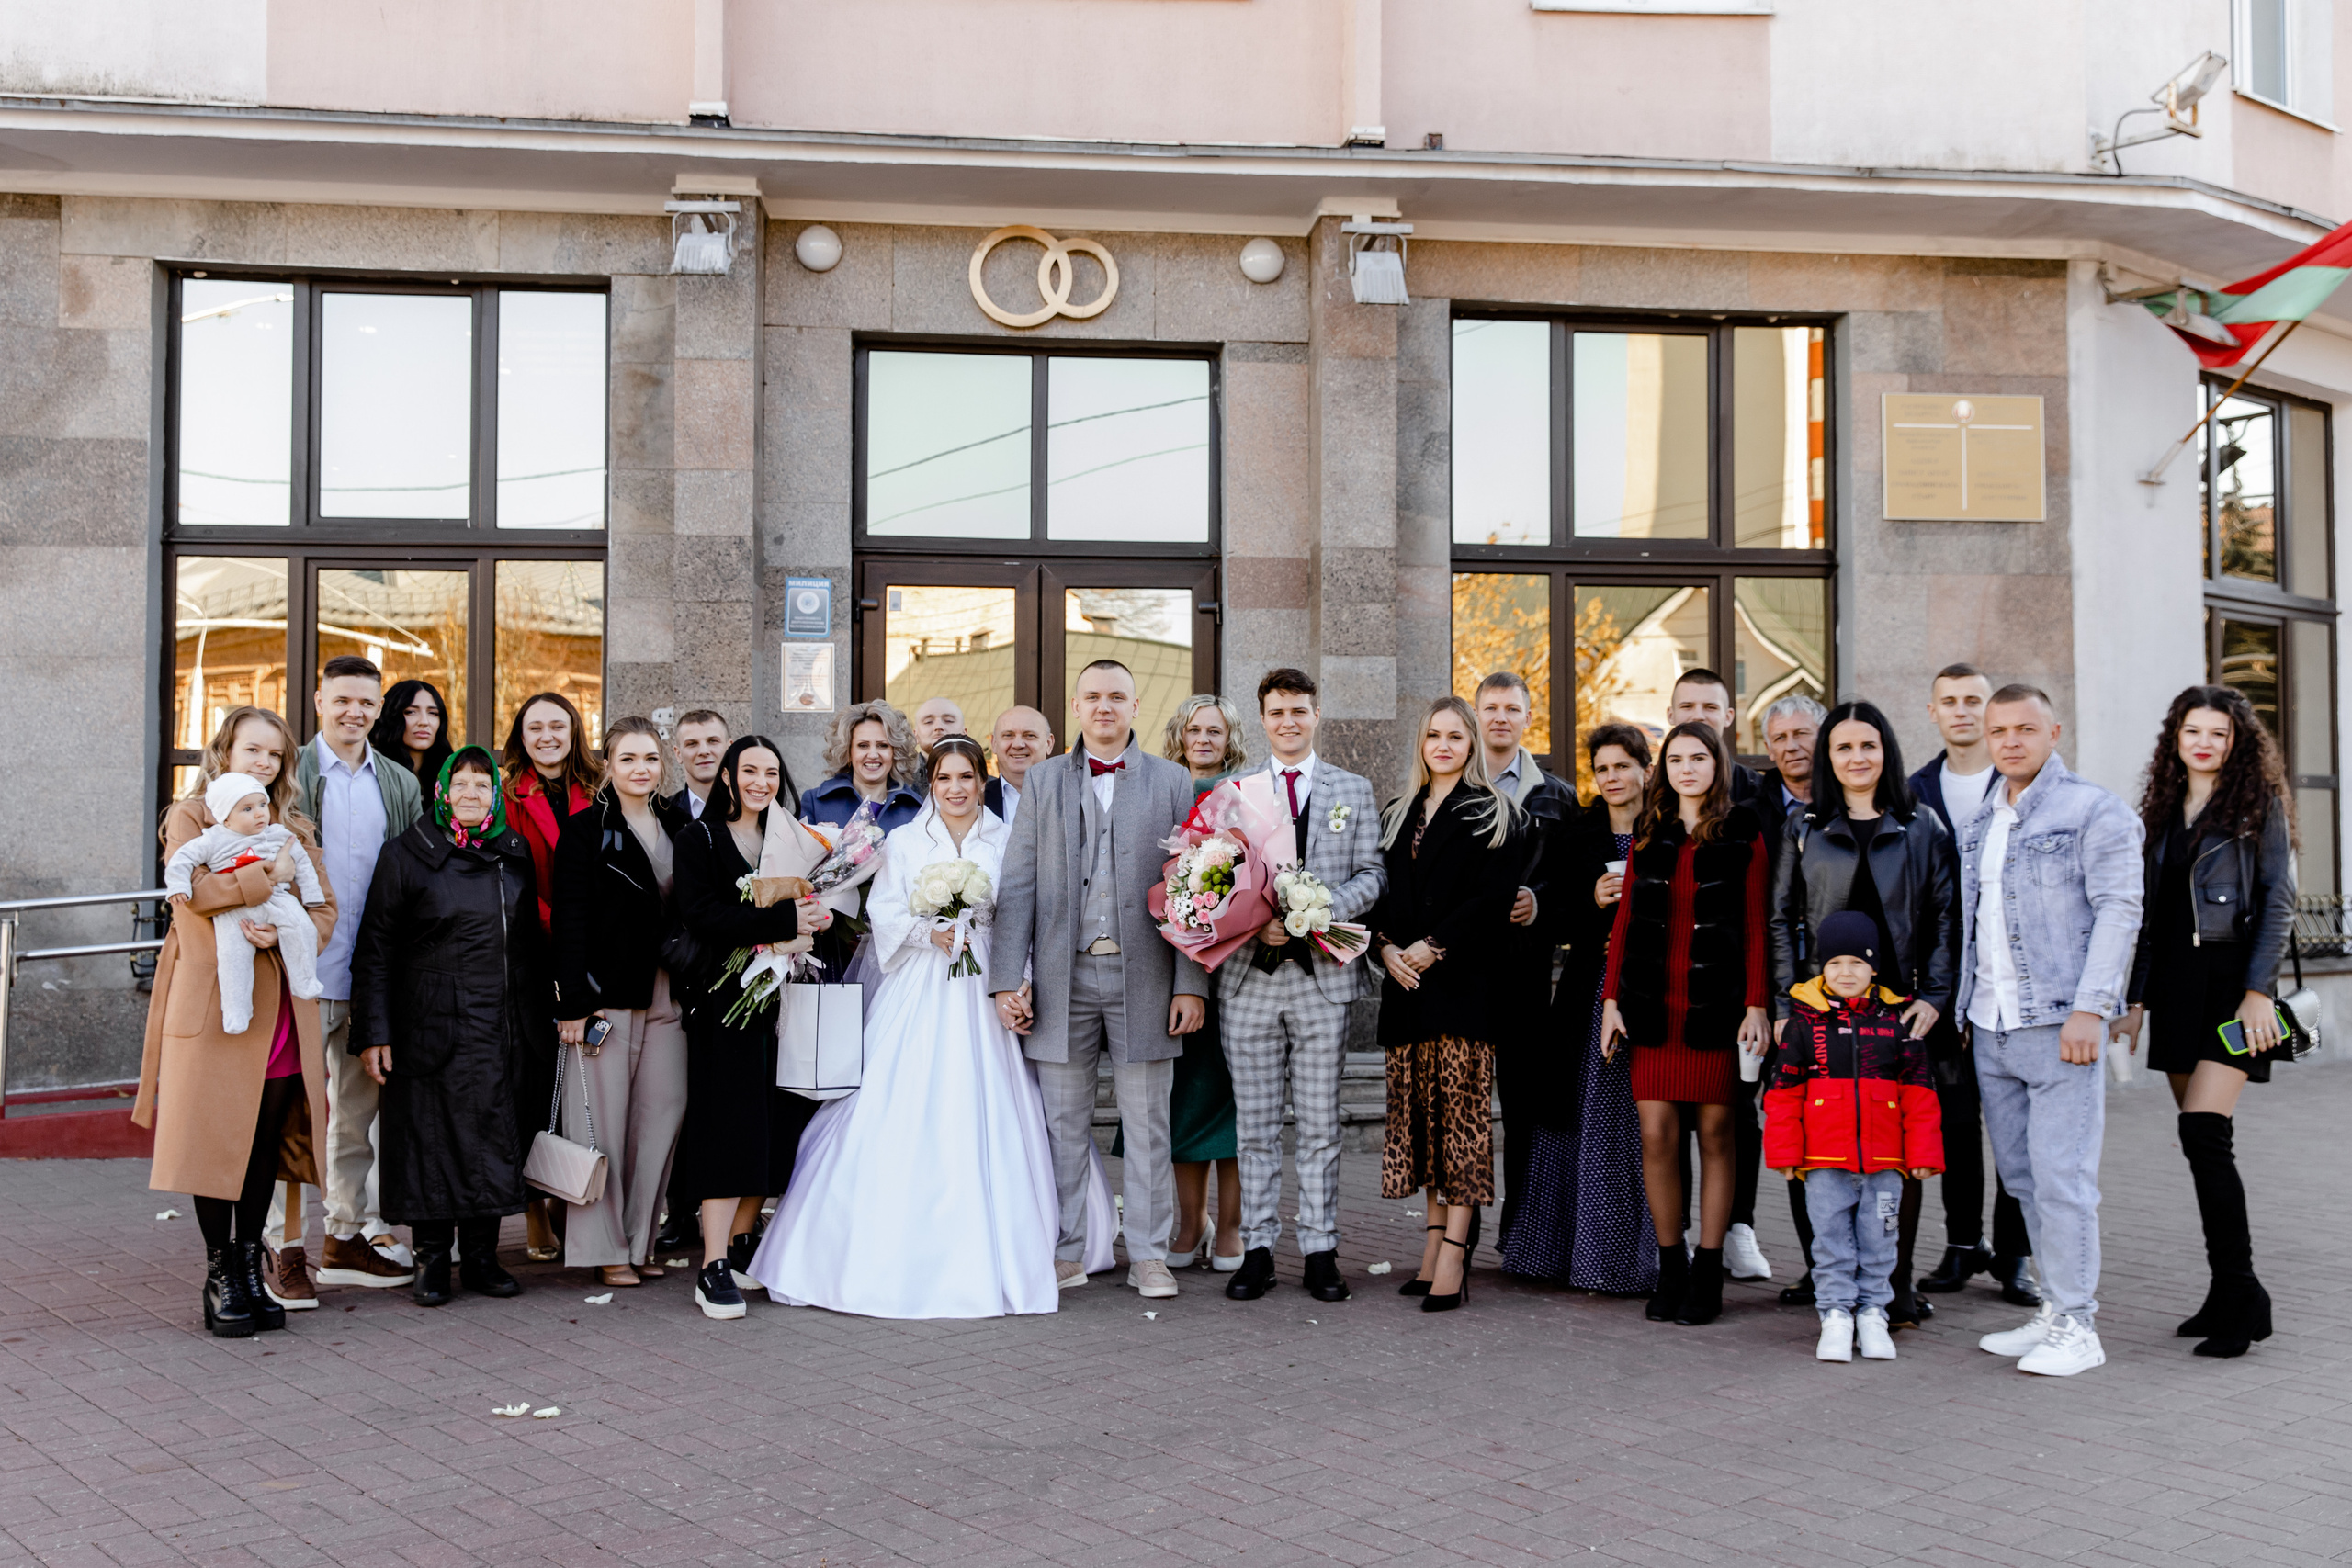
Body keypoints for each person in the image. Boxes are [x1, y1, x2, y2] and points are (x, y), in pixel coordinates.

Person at [750, 736, 1071, 1316]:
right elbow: (885, 910)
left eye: (967, 778)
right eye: (944, 778)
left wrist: (1018, 980)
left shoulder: (1008, 838)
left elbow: (1024, 913)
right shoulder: (902, 840)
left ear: (982, 780)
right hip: (919, 982)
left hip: (982, 986)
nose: (955, 789)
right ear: (930, 783)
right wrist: (931, 932)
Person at [990, 659, 1209, 1300]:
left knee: (1147, 1123)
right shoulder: (1045, 780)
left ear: (1135, 707)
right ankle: (1065, 1248)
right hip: (1062, 977)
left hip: (1146, 974)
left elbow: (1193, 887)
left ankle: (1148, 1252)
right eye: (1093, 696)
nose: (1105, 706)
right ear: (1076, 708)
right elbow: (1019, 882)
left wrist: (1190, 981)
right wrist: (1008, 977)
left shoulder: (1172, 780)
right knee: (1063, 1121)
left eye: (1117, 696)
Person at [1957, 685, 2143, 1377]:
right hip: (1991, 1024)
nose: (2009, 740)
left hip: (2059, 1022)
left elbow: (2120, 910)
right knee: (2026, 1179)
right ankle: (2055, 1309)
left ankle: (2080, 1324)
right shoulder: (1983, 816)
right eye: (1998, 729)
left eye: (2024, 728)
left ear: (2054, 731)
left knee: (2064, 1178)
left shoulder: (2094, 809)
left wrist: (2092, 1008)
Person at [136, 707, 336, 1337]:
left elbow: (323, 908)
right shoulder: (191, 817)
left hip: (280, 1007)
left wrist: (288, 927)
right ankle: (219, 1270)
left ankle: (252, 1264)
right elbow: (193, 895)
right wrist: (264, 877)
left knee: (260, 1141)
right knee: (216, 1137)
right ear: (225, 750)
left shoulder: (291, 825)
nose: (264, 763)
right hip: (217, 1002)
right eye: (253, 749)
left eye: (275, 755)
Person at [2113, 684, 2296, 1359]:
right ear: (2176, 737)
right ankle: (2226, 1290)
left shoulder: (2257, 807)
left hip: (2229, 986)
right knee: (2199, 1146)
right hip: (2176, 988)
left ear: (2236, 742)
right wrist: (2133, 1001)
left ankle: (2244, 1294)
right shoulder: (2161, 811)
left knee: (2205, 1131)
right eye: (2195, 730)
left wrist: (2259, 992)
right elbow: (2149, 919)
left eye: (2219, 733)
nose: (2205, 742)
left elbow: (2279, 899)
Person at [1766, 700, 1958, 1329]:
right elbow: (1782, 918)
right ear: (1829, 756)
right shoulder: (1806, 824)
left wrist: (1934, 997)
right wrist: (1785, 1001)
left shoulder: (1922, 824)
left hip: (1897, 1011)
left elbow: (1943, 920)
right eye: (1843, 747)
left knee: (1895, 1150)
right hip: (1819, 1012)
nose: (1856, 758)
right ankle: (1830, 1281)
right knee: (1816, 1147)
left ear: (1887, 751)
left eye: (1867, 745)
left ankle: (1892, 1283)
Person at [348, 747, 547, 1305]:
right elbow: (376, 949)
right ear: (441, 791)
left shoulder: (513, 851)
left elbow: (529, 944)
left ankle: (482, 1257)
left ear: (495, 796)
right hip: (427, 1025)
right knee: (428, 1142)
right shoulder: (406, 855)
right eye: (459, 784)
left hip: (501, 1023)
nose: (470, 795)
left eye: (482, 786)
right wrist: (374, 1031)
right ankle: (432, 1259)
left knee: (490, 1137)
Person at [1219, 671, 1385, 1304]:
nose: (1288, 721)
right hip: (1250, 982)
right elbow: (1214, 874)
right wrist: (1250, 917)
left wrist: (1322, 906)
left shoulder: (1352, 788)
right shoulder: (1236, 791)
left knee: (1319, 1124)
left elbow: (1373, 873)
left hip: (1324, 982)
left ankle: (1320, 1248)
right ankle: (1257, 1248)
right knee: (1256, 1125)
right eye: (1276, 711)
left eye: (1298, 710)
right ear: (1262, 719)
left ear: (1318, 713)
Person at [1600, 721, 1770, 1328]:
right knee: (1657, 1136)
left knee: (1718, 1136)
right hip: (1653, 1005)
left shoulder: (1744, 832)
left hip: (1716, 1009)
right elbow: (1623, 922)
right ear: (1663, 768)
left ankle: (1709, 1265)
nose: (1687, 768)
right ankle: (1671, 1263)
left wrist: (1755, 1004)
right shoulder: (1651, 832)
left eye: (1699, 757)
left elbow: (1754, 924)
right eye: (1676, 758)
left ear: (1717, 764)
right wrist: (1612, 1001)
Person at [669, 735, 831, 1319]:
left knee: (774, 1123)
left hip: (781, 1002)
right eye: (750, 771)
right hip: (723, 1004)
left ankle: (741, 1245)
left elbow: (808, 901)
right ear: (730, 778)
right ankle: (710, 1265)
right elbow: (702, 914)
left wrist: (817, 913)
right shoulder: (699, 839)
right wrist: (784, 916)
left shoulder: (788, 839)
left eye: (771, 771)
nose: (761, 781)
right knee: (727, 1127)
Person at [1372, 695, 1522, 1314]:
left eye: (1456, 735)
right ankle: (1431, 1247)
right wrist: (1383, 950)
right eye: (1434, 734)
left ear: (1471, 745)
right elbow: (1377, 897)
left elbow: (1493, 901)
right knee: (1422, 1128)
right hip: (1403, 990)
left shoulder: (1494, 812)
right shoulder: (1397, 812)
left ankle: (1456, 1255)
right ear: (1422, 743)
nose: (1443, 744)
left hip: (1461, 989)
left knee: (1460, 1129)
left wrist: (1433, 948)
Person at [1498, 724, 1655, 1292]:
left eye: (1622, 766)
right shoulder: (1581, 832)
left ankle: (1632, 1254)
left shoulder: (1665, 830)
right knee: (1573, 1109)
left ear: (1645, 768)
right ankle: (1563, 1250)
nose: (1612, 778)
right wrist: (1590, 901)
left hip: (1649, 990)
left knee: (1637, 1121)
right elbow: (1556, 918)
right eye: (1602, 769)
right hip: (1588, 990)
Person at [291, 655, 424, 1293]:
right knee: (287, 1115)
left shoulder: (398, 783)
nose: (355, 712)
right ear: (319, 700)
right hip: (295, 977)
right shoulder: (288, 771)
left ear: (379, 709)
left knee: (353, 1118)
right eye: (342, 699)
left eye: (366, 703)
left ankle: (343, 1236)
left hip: (367, 979)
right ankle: (280, 1242)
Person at [1907, 664, 2035, 1307]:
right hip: (1941, 985)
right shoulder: (1914, 791)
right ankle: (1963, 1243)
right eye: (1950, 701)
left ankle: (2014, 1254)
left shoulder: (2021, 784)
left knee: (2014, 1124)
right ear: (1932, 711)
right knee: (1956, 1120)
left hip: (2011, 985)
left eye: (1973, 701)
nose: (1962, 711)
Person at [1765, 912, 1943, 1364]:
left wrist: (1923, 1152)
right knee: (1830, 1241)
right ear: (1821, 968)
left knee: (1880, 1240)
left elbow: (1920, 1094)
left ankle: (1873, 1314)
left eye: (1857, 963)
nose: (1846, 972)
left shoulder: (1898, 1024)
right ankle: (1836, 1315)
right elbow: (1782, 1095)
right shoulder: (1804, 1025)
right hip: (1824, 1161)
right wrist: (1785, 1152)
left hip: (1885, 1164)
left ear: (1874, 968)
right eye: (1835, 963)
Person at [551, 718, 692, 1290]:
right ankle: (603, 1248)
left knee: (661, 1118)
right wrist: (573, 1005)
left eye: (651, 759)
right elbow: (569, 923)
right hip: (606, 997)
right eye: (628, 758)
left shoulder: (681, 826)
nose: (641, 769)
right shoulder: (585, 831)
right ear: (607, 765)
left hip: (669, 992)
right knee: (600, 1127)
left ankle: (640, 1240)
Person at [1664, 666, 1775, 1283]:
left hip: (1731, 990)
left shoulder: (1754, 796)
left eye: (1710, 705)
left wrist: (1760, 997)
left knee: (1733, 1118)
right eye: (1687, 705)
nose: (1698, 713)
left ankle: (1738, 1227)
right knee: (1671, 1123)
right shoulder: (1662, 794)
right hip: (1669, 991)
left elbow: (1764, 904)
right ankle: (1677, 1239)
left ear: (1730, 717)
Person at [1470, 671, 1577, 1256]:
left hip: (1526, 977)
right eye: (1491, 708)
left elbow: (1575, 890)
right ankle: (1460, 1236)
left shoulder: (1556, 797)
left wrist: (1540, 906)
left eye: (1513, 708)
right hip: (1463, 974)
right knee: (1464, 1107)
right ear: (1477, 715)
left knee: (1524, 1108)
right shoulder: (1449, 786)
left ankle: (1524, 1234)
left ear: (1528, 719)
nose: (1501, 718)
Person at [1150, 693, 1247, 1272]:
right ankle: (1191, 1222)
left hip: (1231, 969)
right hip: (1170, 967)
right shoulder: (1162, 788)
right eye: (1194, 730)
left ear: (1230, 737)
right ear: (1179, 736)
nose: (1204, 739)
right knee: (1182, 1098)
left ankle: (1231, 1225)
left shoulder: (1245, 795)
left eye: (1215, 730)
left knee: (1231, 1101)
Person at [164, 774, 328, 1032]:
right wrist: (178, 886)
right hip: (234, 911)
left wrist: (312, 895)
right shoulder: (212, 839)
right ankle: (236, 1013)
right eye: (247, 809)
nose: (259, 814)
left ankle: (304, 980)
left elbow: (304, 866)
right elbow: (181, 860)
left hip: (278, 899)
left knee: (301, 927)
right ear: (226, 817)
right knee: (233, 959)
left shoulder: (278, 834)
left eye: (262, 805)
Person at [503, 691, 599, 932]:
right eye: (535, 728)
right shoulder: (504, 798)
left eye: (557, 726)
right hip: (530, 936)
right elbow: (507, 877)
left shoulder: (603, 793)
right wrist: (557, 925)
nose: (547, 737)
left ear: (573, 733)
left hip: (595, 938)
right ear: (522, 739)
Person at [805, 701, 923, 834]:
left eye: (882, 745)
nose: (873, 754)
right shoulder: (816, 802)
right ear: (848, 752)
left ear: (895, 753)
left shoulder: (916, 809)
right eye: (863, 745)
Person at [368, 679, 453, 794]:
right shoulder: (371, 769)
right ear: (391, 716)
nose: (424, 722)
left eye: (433, 713)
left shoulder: (451, 772)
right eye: (411, 712)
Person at [984, 705, 1055, 826]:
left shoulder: (1073, 797)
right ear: (994, 744)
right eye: (1008, 735)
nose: (1018, 744)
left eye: (1029, 735)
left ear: (1049, 743)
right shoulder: (975, 801)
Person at [667, 709, 730, 820]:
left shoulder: (751, 808)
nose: (703, 751)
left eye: (713, 741)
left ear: (729, 748)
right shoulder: (664, 814)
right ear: (678, 754)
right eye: (692, 744)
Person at [911, 696, 967, 763]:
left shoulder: (979, 771)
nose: (938, 726)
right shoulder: (902, 772)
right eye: (928, 722)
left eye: (949, 720)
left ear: (964, 733)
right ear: (915, 736)